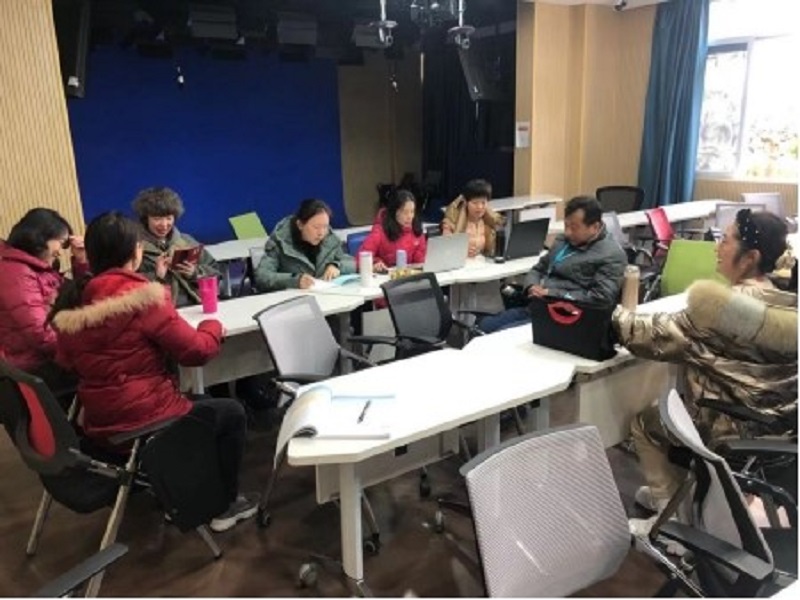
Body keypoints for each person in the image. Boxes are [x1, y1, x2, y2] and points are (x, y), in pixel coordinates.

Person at [49, 212, 256, 532]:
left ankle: (176, 485)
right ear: (135, 252)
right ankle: (222, 505)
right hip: (146, 418)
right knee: (231, 412)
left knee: (203, 404)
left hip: (100, 422)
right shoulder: (144, 298)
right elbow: (197, 352)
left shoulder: (73, 300)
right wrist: (212, 326)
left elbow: (66, 361)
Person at [614, 209, 796, 522]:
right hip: (781, 428)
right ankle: (680, 499)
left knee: (646, 423)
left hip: (731, 428)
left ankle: (670, 518)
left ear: (749, 257)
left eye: (725, 240)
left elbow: (649, 335)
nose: (716, 247)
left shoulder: (719, 311)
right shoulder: (783, 302)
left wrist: (613, 314)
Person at [478, 196, 627, 333]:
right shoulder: (563, 241)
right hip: (539, 306)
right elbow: (538, 268)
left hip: (568, 318)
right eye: (566, 225)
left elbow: (600, 298)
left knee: (498, 335)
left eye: (574, 227)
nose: (567, 232)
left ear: (594, 227)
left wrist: (551, 293)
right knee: (484, 326)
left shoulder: (611, 254)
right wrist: (532, 286)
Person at [0, 208, 87, 395]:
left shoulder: (35, 268)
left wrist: (81, 260)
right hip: (35, 367)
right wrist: (79, 355)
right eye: (61, 242)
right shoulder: (16, 274)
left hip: (48, 358)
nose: (60, 251)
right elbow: (40, 333)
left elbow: (76, 297)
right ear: (40, 238)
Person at [132, 187, 219, 308]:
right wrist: (156, 276)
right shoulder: (133, 247)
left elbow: (216, 273)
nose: (164, 224)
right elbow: (124, 287)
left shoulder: (187, 241)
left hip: (196, 307)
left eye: (169, 218)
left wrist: (195, 273)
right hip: (159, 311)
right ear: (145, 218)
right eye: (157, 219)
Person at [254, 198, 355, 292]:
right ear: (300, 225)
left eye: (325, 227)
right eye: (316, 227)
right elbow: (262, 276)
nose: (321, 233)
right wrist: (295, 281)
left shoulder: (330, 239)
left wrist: (336, 266)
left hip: (326, 296)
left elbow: (352, 262)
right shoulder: (280, 241)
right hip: (293, 300)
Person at [357, 190, 427, 273]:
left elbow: (421, 260)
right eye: (405, 212)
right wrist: (374, 264)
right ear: (395, 212)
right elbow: (361, 260)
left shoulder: (417, 230)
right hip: (385, 277)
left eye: (412, 212)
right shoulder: (380, 231)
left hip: (409, 276)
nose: (410, 216)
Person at [441, 179, 504, 257]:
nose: (480, 207)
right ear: (466, 202)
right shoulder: (452, 220)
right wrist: (461, 250)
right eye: (475, 203)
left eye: (483, 203)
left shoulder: (488, 221)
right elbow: (445, 248)